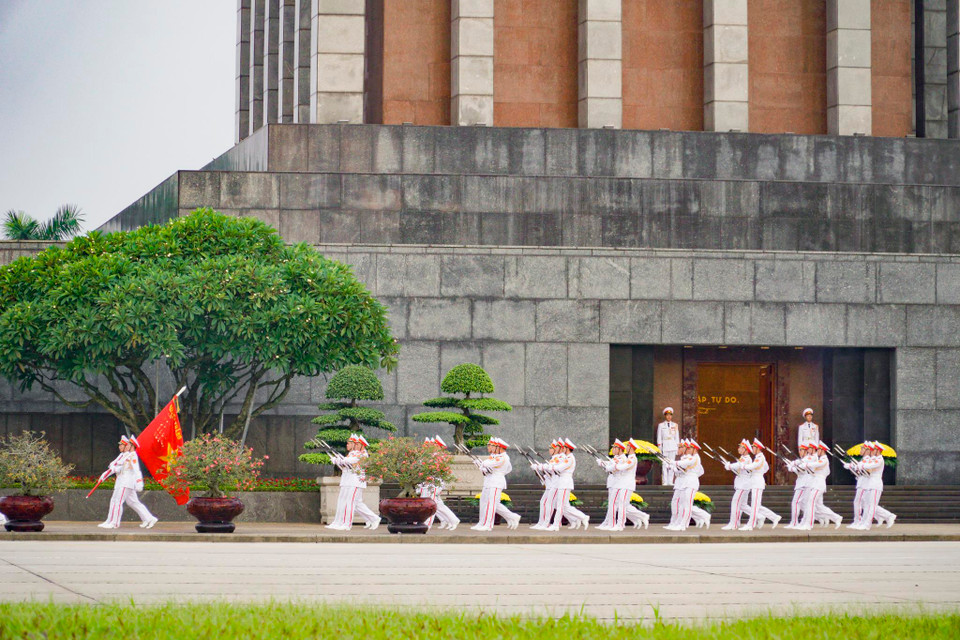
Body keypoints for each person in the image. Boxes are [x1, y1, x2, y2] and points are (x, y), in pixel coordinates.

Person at [98, 435, 157, 530]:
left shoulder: (133, 456)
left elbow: (137, 470)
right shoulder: (128, 455)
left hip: (126, 483)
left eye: (129, 444)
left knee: (118, 502)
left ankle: (114, 523)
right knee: (133, 502)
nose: (127, 446)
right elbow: (120, 467)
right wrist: (109, 472)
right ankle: (149, 518)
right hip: (124, 482)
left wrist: (139, 483)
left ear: (132, 446)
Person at [326, 433, 380, 531]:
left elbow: (350, 461)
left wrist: (340, 460)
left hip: (355, 481)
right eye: (355, 444)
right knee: (352, 503)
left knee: (349, 503)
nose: (356, 446)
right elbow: (346, 464)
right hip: (348, 480)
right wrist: (339, 461)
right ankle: (339, 522)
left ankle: (347, 524)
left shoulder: (362, 455)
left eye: (358, 444)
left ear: (362, 446)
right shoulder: (354, 453)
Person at [471, 437, 521, 531]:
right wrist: (481, 465)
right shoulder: (496, 457)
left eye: (494, 446)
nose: (491, 448)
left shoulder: (503, 457)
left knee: (492, 503)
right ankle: (483, 522)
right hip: (490, 481)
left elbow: (488, 464)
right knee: (485, 501)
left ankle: (488, 525)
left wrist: (483, 464)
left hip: (496, 482)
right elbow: (488, 467)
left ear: (500, 448)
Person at [544, 438, 589, 531]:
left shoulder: (569, 458)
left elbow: (559, 468)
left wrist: (548, 466)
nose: (562, 449)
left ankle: (556, 525)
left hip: (565, 482)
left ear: (567, 448)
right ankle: (582, 517)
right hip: (562, 482)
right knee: (564, 506)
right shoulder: (566, 458)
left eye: (564, 447)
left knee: (561, 505)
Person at [418, 436, 459, 531]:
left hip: (434, 483)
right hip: (429, 483)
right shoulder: (430, 456)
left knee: (430, 505)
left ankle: (427, 524)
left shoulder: (438, 457)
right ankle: (453, 520)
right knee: (438, 505)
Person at [844, 441, 887, 531]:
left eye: (874, 449)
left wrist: (860, 465)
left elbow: (871, 466)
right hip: (870, 483)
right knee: (867, 505)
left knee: (872, 505)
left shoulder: (879, 459)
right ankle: (863, 522)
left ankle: (867, 524)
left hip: (876, 484)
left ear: (878, 450)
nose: (872, 451)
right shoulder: (873, 459)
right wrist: (855, 466)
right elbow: (865, 468)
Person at [664, 439, 701, 531]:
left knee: (687, 505)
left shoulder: (694, 457)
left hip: (691, 482)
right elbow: (681, 467)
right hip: (686, 482)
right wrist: (673, 465)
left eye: (690, 448)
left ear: (694, 449)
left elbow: (684, 464)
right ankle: (678, 523)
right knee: (682, 504)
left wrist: (674, 463)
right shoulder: (691, 457)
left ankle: (683, 524)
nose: (688, 449)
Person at [596, 439, 629, 531]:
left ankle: (613, 523)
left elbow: (613, 468)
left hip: (618, 483)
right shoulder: (616, 458)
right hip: (613, 482)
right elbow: (609, 466)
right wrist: (602, 464)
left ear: (620, 449)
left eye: (615, 447)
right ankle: (609, 523)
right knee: (611, 503)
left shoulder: (623, 458)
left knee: (614, 504)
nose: (613, 449)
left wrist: (605, 466)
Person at [809, 441, 842, 529]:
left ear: (822, 450)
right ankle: (836, 518)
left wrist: (808, 464)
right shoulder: (820, 459)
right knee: (819, 506)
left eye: (818, 449)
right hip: (816, 483)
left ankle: (809, 523)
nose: (817, 451)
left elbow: (817, 465)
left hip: (819, 484)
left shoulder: (824, 459)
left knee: (811, 502)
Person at [530, 440, 560, 530]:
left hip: (554, 484)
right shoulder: (553, 458)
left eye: (551, 448)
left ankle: (545, 523)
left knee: (549, 504)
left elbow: (551, 469)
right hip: (551, 484)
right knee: (544, 502)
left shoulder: (558, 458)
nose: (549, 449)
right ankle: (541, 522)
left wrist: (539, 466)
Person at [784, 443, 815, 530]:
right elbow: (796, 463)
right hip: (801, 482)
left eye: (802, 450)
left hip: (804, 483)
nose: (800, 452)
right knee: (800, 503)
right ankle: (799, 522)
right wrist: (791, 464)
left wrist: (792, 468)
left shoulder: (809, 458)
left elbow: (801, 468)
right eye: (800, 450)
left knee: (796, 502)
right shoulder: (803, 459)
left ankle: (796, 522)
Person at [622, 440, 650, 529]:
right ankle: (637, 519)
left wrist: (612, 467)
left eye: (627, 447)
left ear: (631, 448)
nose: (625, 448)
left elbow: (622, 468)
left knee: (624, 505)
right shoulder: (629, 458)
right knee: (623, 505)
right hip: (625, 483)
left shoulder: (632, 458)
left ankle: (643, 515)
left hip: (627, 483)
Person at [656, 408, 680, 485]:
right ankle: (665, 481)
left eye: (670, 415)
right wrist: (660, 448)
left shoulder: (675, 425)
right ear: (665, 416)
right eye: (667, 415)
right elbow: (659, 437)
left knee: (672, 464)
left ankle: (670, 481)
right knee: (664, 464)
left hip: (672, 446)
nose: (669, 417)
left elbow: (677, 437)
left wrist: (677, 448)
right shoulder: (661, 425)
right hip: (665, 446)